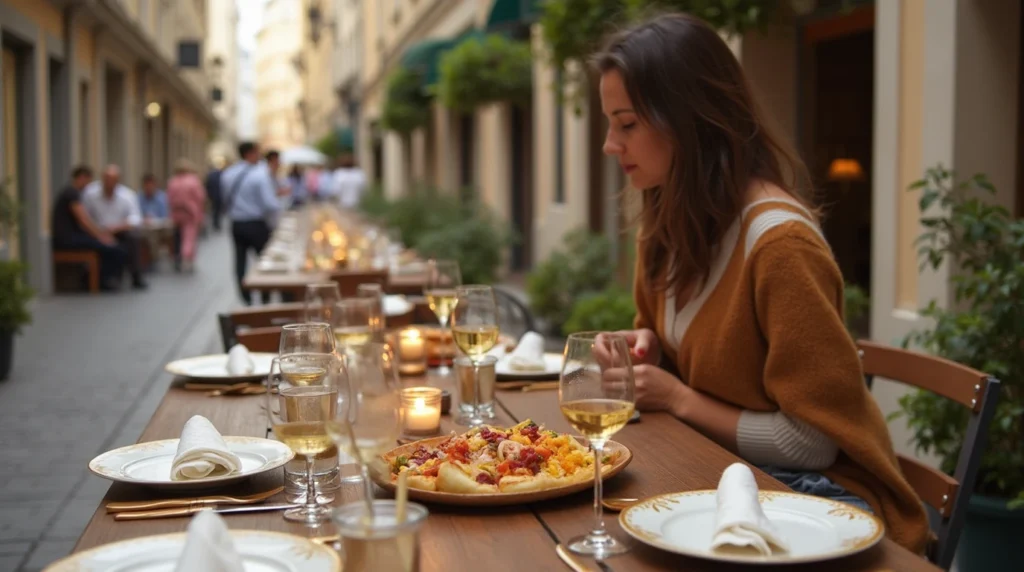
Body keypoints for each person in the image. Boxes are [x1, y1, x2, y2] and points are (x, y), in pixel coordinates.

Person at [593, 14, 928, 553]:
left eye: (627, 123)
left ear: (688, 120)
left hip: (822, 497)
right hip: (721, 470)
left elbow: (812, 442)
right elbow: (703, 365)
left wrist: (677, 396)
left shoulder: (779, 246)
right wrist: (655, 353)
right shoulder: (668, 223)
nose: (611, 145)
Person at [221, 142, 283, 304]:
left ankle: (245, 297)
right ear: (250, 153)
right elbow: (270, 204)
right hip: (256, 224)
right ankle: (264, 296)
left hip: (236, 223)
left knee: (240, 261)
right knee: (264, 262)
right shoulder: (259, 174)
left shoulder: (228, 174)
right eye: (257, 152)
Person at [50, 165, 126, 291]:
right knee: (115, 249)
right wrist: (101, 236)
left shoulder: (72, 193)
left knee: (113, 248)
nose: (89, 186)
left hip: (70, 237)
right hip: (68, 239)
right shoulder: (72, 193)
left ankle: (100, 279)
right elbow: (84, 220)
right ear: (82, 178)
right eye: (88, 181)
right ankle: (98, 280)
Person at [82, 165, 147, 289]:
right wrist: (98, 232)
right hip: (96, 231)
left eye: (112, 180)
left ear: (118, 181)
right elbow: (85, 217)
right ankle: (103, 278)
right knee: (108, 247)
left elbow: (136, 218)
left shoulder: (127, 195)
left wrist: (117, 227)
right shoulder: (90, 194)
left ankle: (136, 276)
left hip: (119, 231)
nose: (109, 183)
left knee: (133, 238)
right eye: (106, 179)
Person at [166, 158, 207, 273]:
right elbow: (200, 198)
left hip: (176, 212)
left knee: (178, 236)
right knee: (189, 236)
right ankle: (186, 257)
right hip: (190, 212)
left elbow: (169, 198)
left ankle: (177, 257)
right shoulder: (193, 181)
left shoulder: (172, 181)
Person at [205, 161, 225, 232]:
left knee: (215, 210)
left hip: (213, 195)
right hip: (219, 195)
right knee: (218, 210)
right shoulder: (221, 175)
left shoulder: (210, 175)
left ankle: (215, 223)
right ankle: (216, 223)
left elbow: (207, 186)